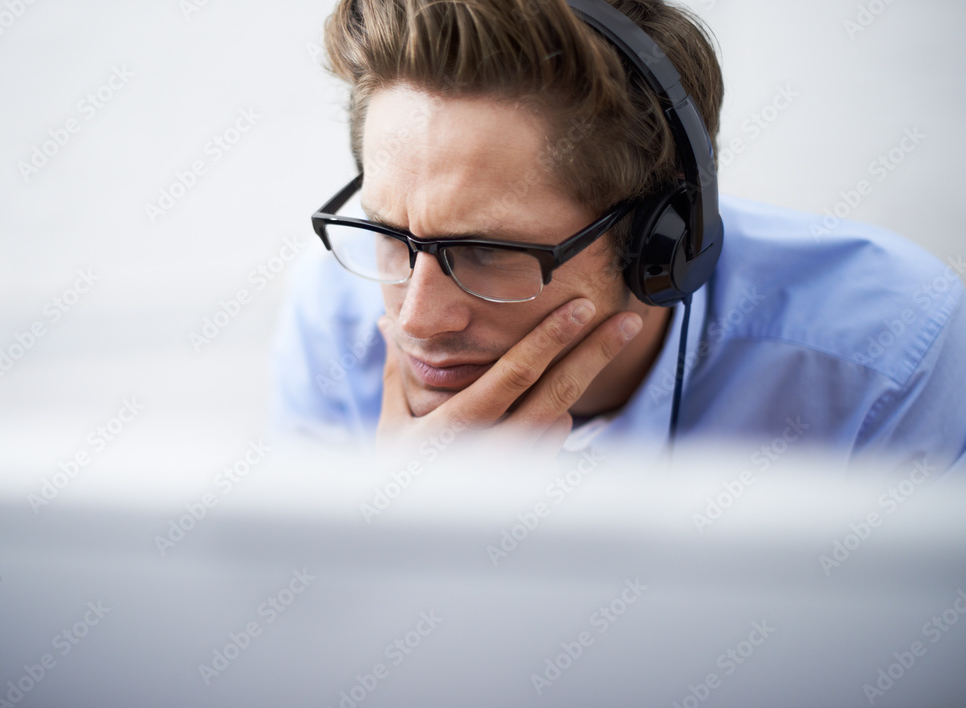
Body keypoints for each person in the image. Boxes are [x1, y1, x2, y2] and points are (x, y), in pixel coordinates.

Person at [271, 0, 966, 475]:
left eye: (487, 251)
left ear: (661, 245)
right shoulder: (334, 306)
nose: (417, 319)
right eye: (390, 233)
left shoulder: (891, 353)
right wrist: (396, 533)